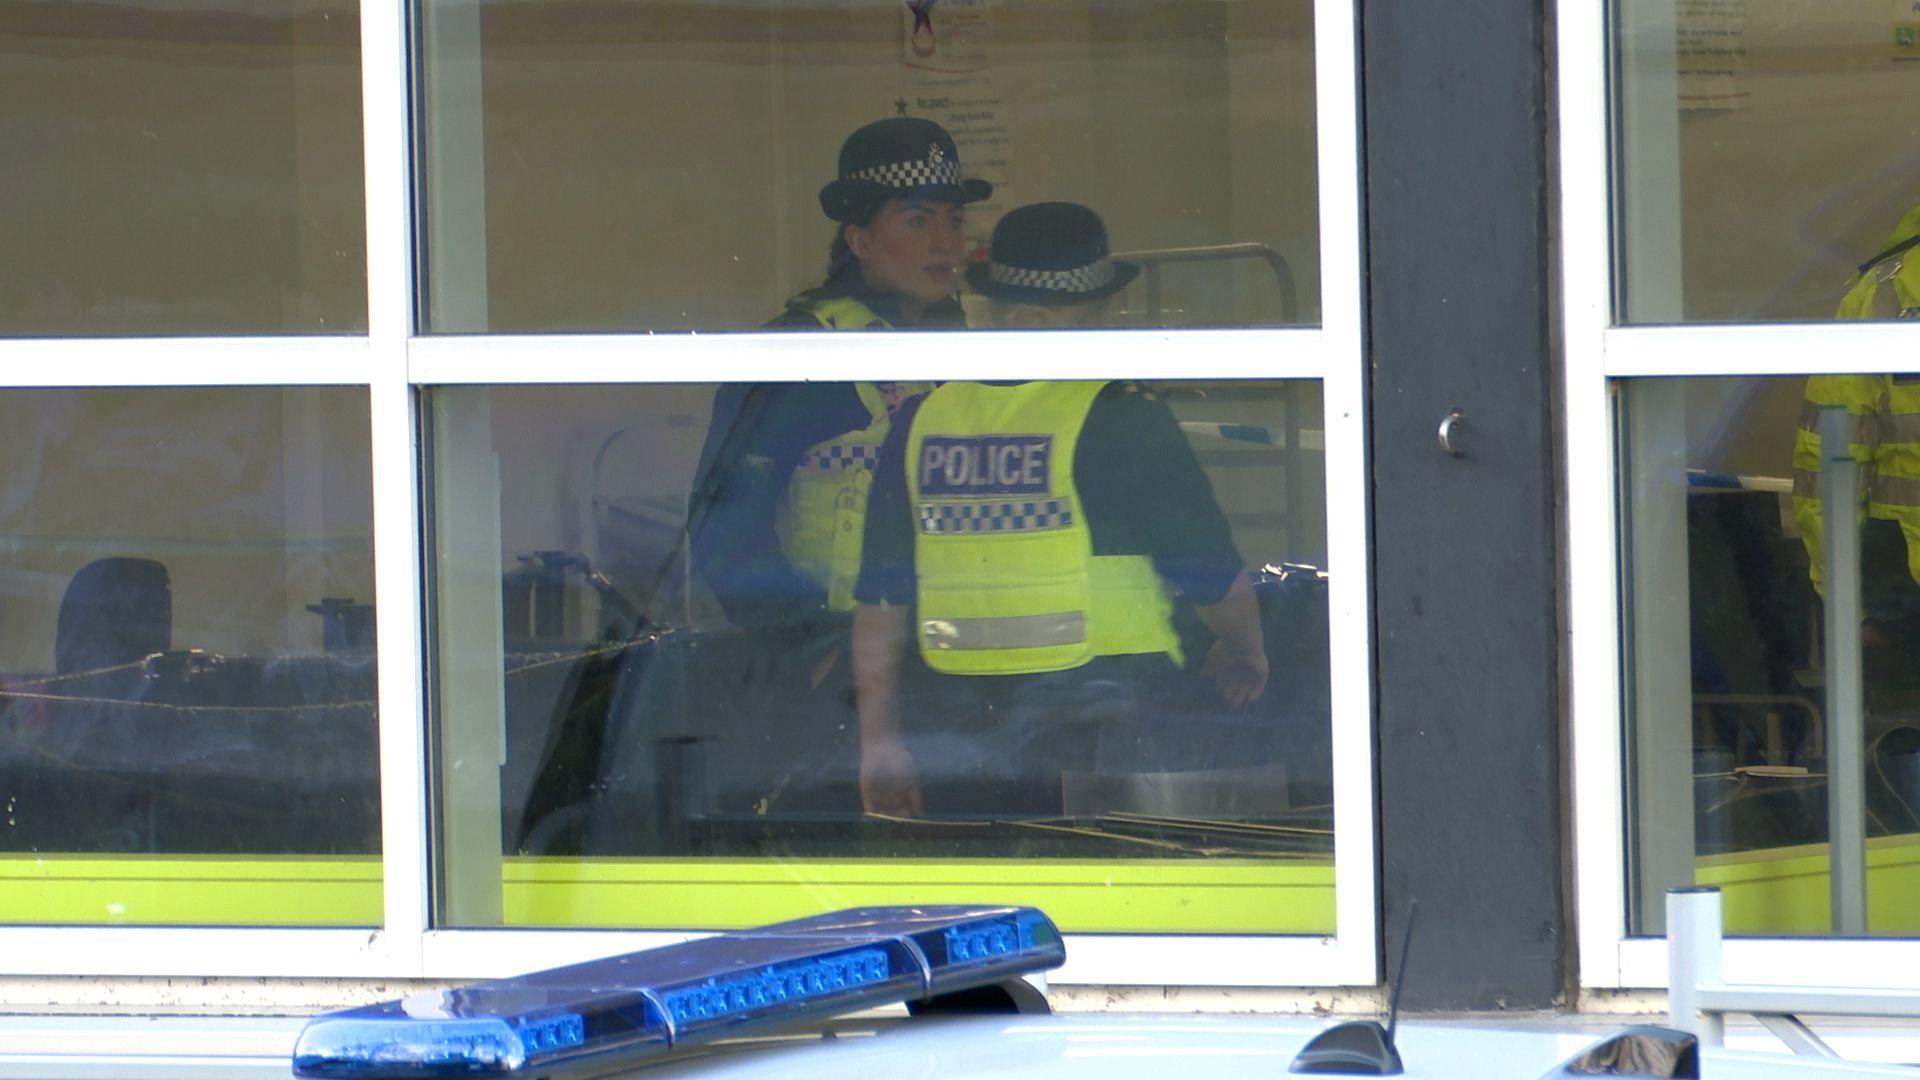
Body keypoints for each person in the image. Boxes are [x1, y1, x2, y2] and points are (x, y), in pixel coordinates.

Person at [849, 202, 1269, 818]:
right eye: (1102, 313)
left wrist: (879, 744)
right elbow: (1208, 572)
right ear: (1040, 319)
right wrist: (1247, 653)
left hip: (956, 741)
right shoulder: (1122, 415)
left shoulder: (922, 422)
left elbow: (880, 609)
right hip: (1108, 730)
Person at [678, 117, 990, 815]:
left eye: (954, 218)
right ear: (859, 241)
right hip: (832, 685)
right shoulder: (797, 356)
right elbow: (727, 534)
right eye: (918, 220)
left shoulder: (975, 350)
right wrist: (811, 652)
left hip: (963, 674)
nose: (946, 241)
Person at [1791, 204, 1920, 718]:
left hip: (1902, 596)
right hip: (1900, 600)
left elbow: (1829, 461)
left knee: (1898, 766)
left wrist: (1846, 602)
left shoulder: (1883, 293)